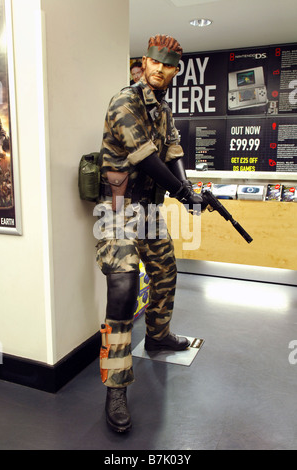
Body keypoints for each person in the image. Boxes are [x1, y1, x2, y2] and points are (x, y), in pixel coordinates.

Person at [96, 34, 207, 433]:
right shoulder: (124, 102)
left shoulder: (164, 110)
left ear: (176, 70)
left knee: (165, 272)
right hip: (118, 211)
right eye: (154, 63)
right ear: (144, 63)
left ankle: (158, 336)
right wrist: (180, 192)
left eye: (168, 65)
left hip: (148, 211)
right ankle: (115, 384)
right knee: (124, 290)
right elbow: (144, 156)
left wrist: (189, 191)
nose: (160, 70)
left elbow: (173, 154)